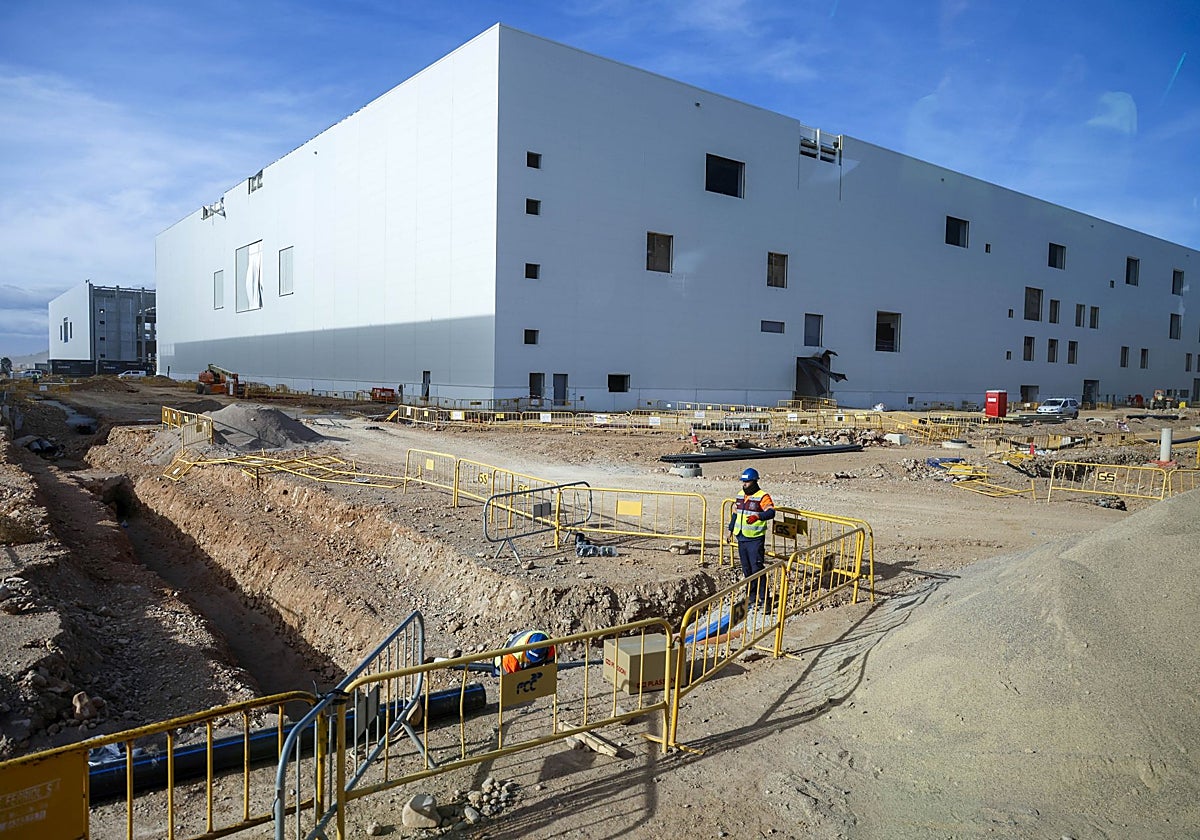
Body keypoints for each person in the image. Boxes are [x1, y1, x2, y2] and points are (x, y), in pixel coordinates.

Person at [728, 467, 776, 608]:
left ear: (754, 482)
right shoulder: (740, 495)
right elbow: (735, 514)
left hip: (755, 539)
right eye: (743, 482)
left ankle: (764, 599)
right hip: (741, 537)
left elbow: (771, 512)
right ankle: (753, 597)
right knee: (747, 570)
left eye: (747, 482)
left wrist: (758, 516)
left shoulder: (762, 496)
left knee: (757, 569)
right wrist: (730, 531)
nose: (744, 484)